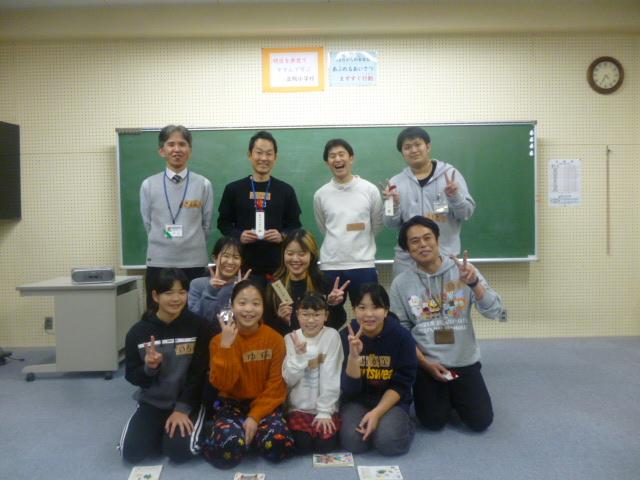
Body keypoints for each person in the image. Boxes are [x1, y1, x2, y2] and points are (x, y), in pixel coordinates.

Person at [389, 216, 505, 433]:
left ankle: (454, 396)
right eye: (415, 241)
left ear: (437, 240)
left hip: (463, 360)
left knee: (480, 421)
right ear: (406, 249)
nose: (423, 245)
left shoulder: (465, 271)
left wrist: (474, 284)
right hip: (428, 363)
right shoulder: (401, 283)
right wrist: (425, 363)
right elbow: (401, 333)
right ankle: (444, 397)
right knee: (433, 421)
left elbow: (495, 311)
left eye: (427, 238)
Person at [120, 268, 211, 464]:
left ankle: (175, 433)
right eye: (169, 293)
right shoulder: (137, 332)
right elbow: (132, 376)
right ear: (155, 296)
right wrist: (149, 368)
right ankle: (160, 432)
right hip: (153, 403)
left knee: (178, 452)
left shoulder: (200, 327)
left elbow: (199, 375)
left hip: (188, 402)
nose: (176, 298)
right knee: (131, 452)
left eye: (182, 292)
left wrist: (182, 409)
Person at [201, 280, 294, 469]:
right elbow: (222, 384)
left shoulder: (275, 339)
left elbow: (276, 386)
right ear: (232, 306)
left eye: (256, 303)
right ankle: (238, 436)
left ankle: (249, 435)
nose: (249, 309)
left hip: (265, 406)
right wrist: (226, 346)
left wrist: (255, 416)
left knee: (279, 445)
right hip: (230, 405)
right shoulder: (218, 341)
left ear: (263, 307)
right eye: (242, 303)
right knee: (228, 449)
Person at [383, 126, 475, 278]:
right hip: (407, 262)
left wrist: (455, 197)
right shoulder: (394, 183)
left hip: (444, 259)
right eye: (407, 147)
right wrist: (393, 205)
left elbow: (466, 213)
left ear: (428, 146)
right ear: (402, 152)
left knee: (446, 294)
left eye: (417, 144)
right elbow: (389, 223)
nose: (413, 150)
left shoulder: (450, 175)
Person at [339, 283, 417, 456]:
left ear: (386, 310)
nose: (369, 314)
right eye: (362, 308)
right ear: (354, 310)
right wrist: (353, 357)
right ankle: (380, 426)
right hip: (357, 401)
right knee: (354, 441)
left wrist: (377, 413)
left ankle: (404, 424)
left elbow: (401, 384)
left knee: (388, 441)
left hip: (391, 401)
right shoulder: (345, 336)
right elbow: (349, 391)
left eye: (376, 307)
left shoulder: (402, 337)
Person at [140, 125, 214, 307]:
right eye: (171, 144)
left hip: (194, 263)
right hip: (159, 262)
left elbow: (206, 224)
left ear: (190, 150)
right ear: (161, 151)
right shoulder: (148, 185)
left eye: (182, 144)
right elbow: (148, 223)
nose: (177, 149)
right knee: (157, 314)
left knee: (194, 314)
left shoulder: (203, 184)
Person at [217, 130, 302, 286]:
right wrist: (239, 235)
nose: (264, 158)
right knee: (245, 302)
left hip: (278, 268)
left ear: (275, 157)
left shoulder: (285, 190)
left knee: (277, 302)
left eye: (269, 154)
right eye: (259, 153)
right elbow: (223, 224)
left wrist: (282, 235)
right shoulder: (233, 189)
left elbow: (295, 225)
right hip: (242, 266)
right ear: (250, 155)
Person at [313, 138, 384, 305]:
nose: (337, 159)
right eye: (332, 156)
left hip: (363, 265)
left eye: (341, 154)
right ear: (327, 162)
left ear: (351, 158)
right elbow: (324, 227)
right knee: (331, 314)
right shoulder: (321, 194)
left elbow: (377, 224)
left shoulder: (369, 190)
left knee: (367, 312)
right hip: (331, 266)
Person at [282, 292, 344, 454]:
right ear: (297, 315)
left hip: (325, 407)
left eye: (317, 315)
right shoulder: (290, 338)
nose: (311, 320)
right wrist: (299, 357)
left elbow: (331, 374)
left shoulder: (332, 336)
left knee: (325, 446)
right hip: (298, 408)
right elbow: (289, 380)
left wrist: (325, 411)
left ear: (326, 316)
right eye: (305, 314)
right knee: (303, 446)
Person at [265, 229, 348, 336]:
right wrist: (281, 320)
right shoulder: (275, 285)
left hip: (319, 343)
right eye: (290, 253)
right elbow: (267, 327)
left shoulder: (323, 282)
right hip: (287, 343)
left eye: (302, 254)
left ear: (311, 256)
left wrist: (333, 305)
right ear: (283, 254)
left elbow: (338, 322)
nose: (295, 259)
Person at [188, 236, 246, 328]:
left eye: (236, 257)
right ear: (214, 258)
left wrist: (242, 292)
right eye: (226, 256)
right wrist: (211, 291)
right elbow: (195, 319)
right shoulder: (198, 284)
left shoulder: (245, 286)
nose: (230, 262)